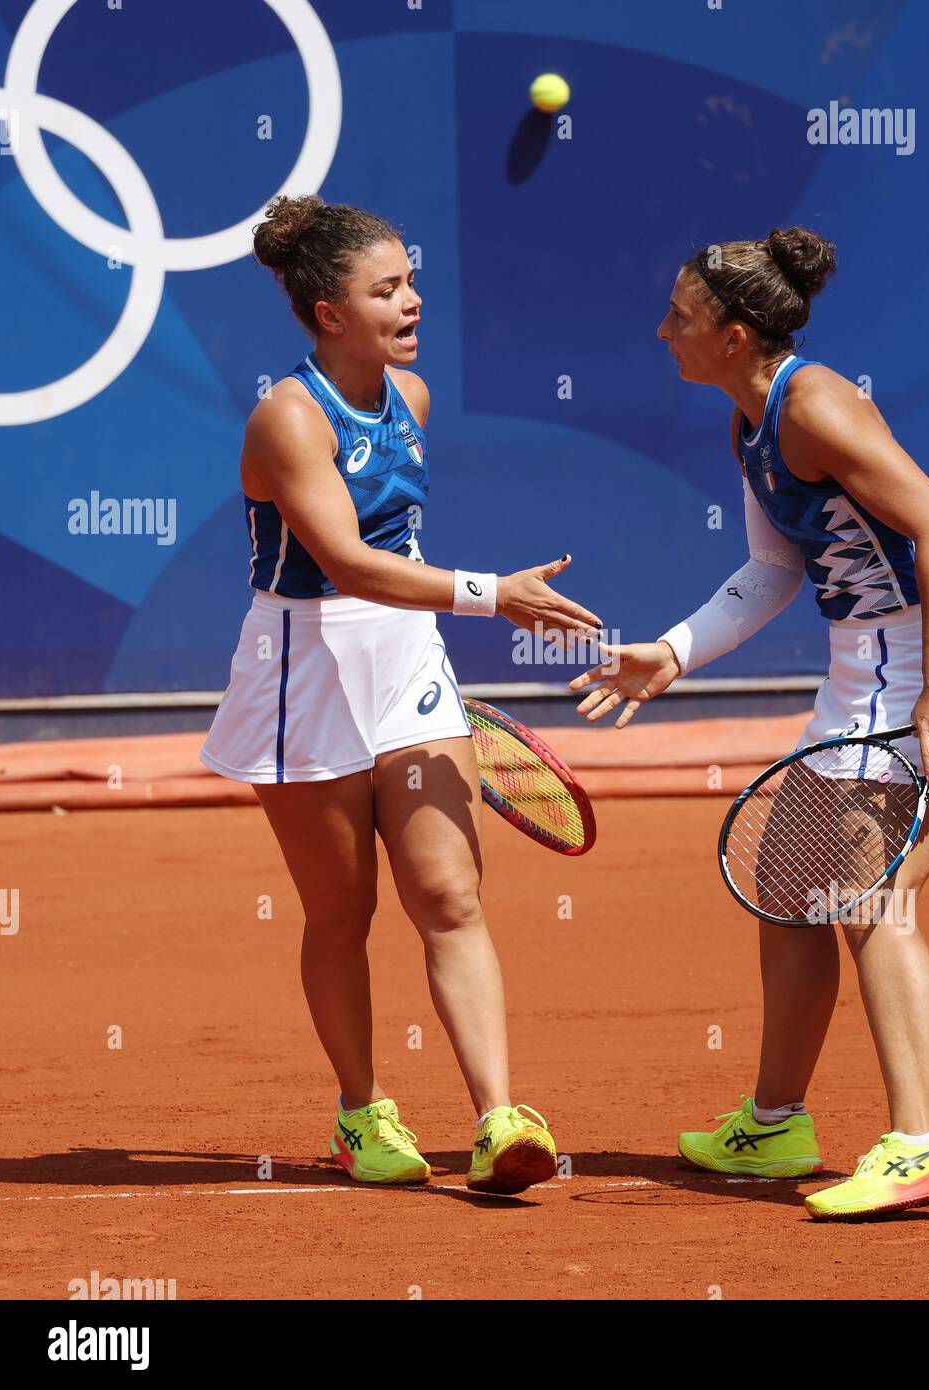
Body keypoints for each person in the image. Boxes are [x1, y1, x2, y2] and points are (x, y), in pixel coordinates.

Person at [569, 227, 929, 1219]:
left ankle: (920, 1140)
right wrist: (673, 651)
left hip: (903, 672)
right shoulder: (749, 422)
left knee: (872, 904)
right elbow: (774, 568)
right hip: (858, 672)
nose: (662, 330)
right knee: (789, 888)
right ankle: (774, 1123)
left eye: (680, 317)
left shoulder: (813, 404)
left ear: (733, 334)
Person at [201, 194, 601, 1194]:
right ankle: (358, 1110)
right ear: (328, 310)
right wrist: (491, 594)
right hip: (303, 667)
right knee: (342, 912)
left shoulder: (410, 397)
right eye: (385, 290)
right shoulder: (286, 417)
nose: (412, 300)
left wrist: (461, 605)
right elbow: (342, 562)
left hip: (408, 659)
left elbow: (394, 566)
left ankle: (497, 1116)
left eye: (410, 281)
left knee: (449, 895)